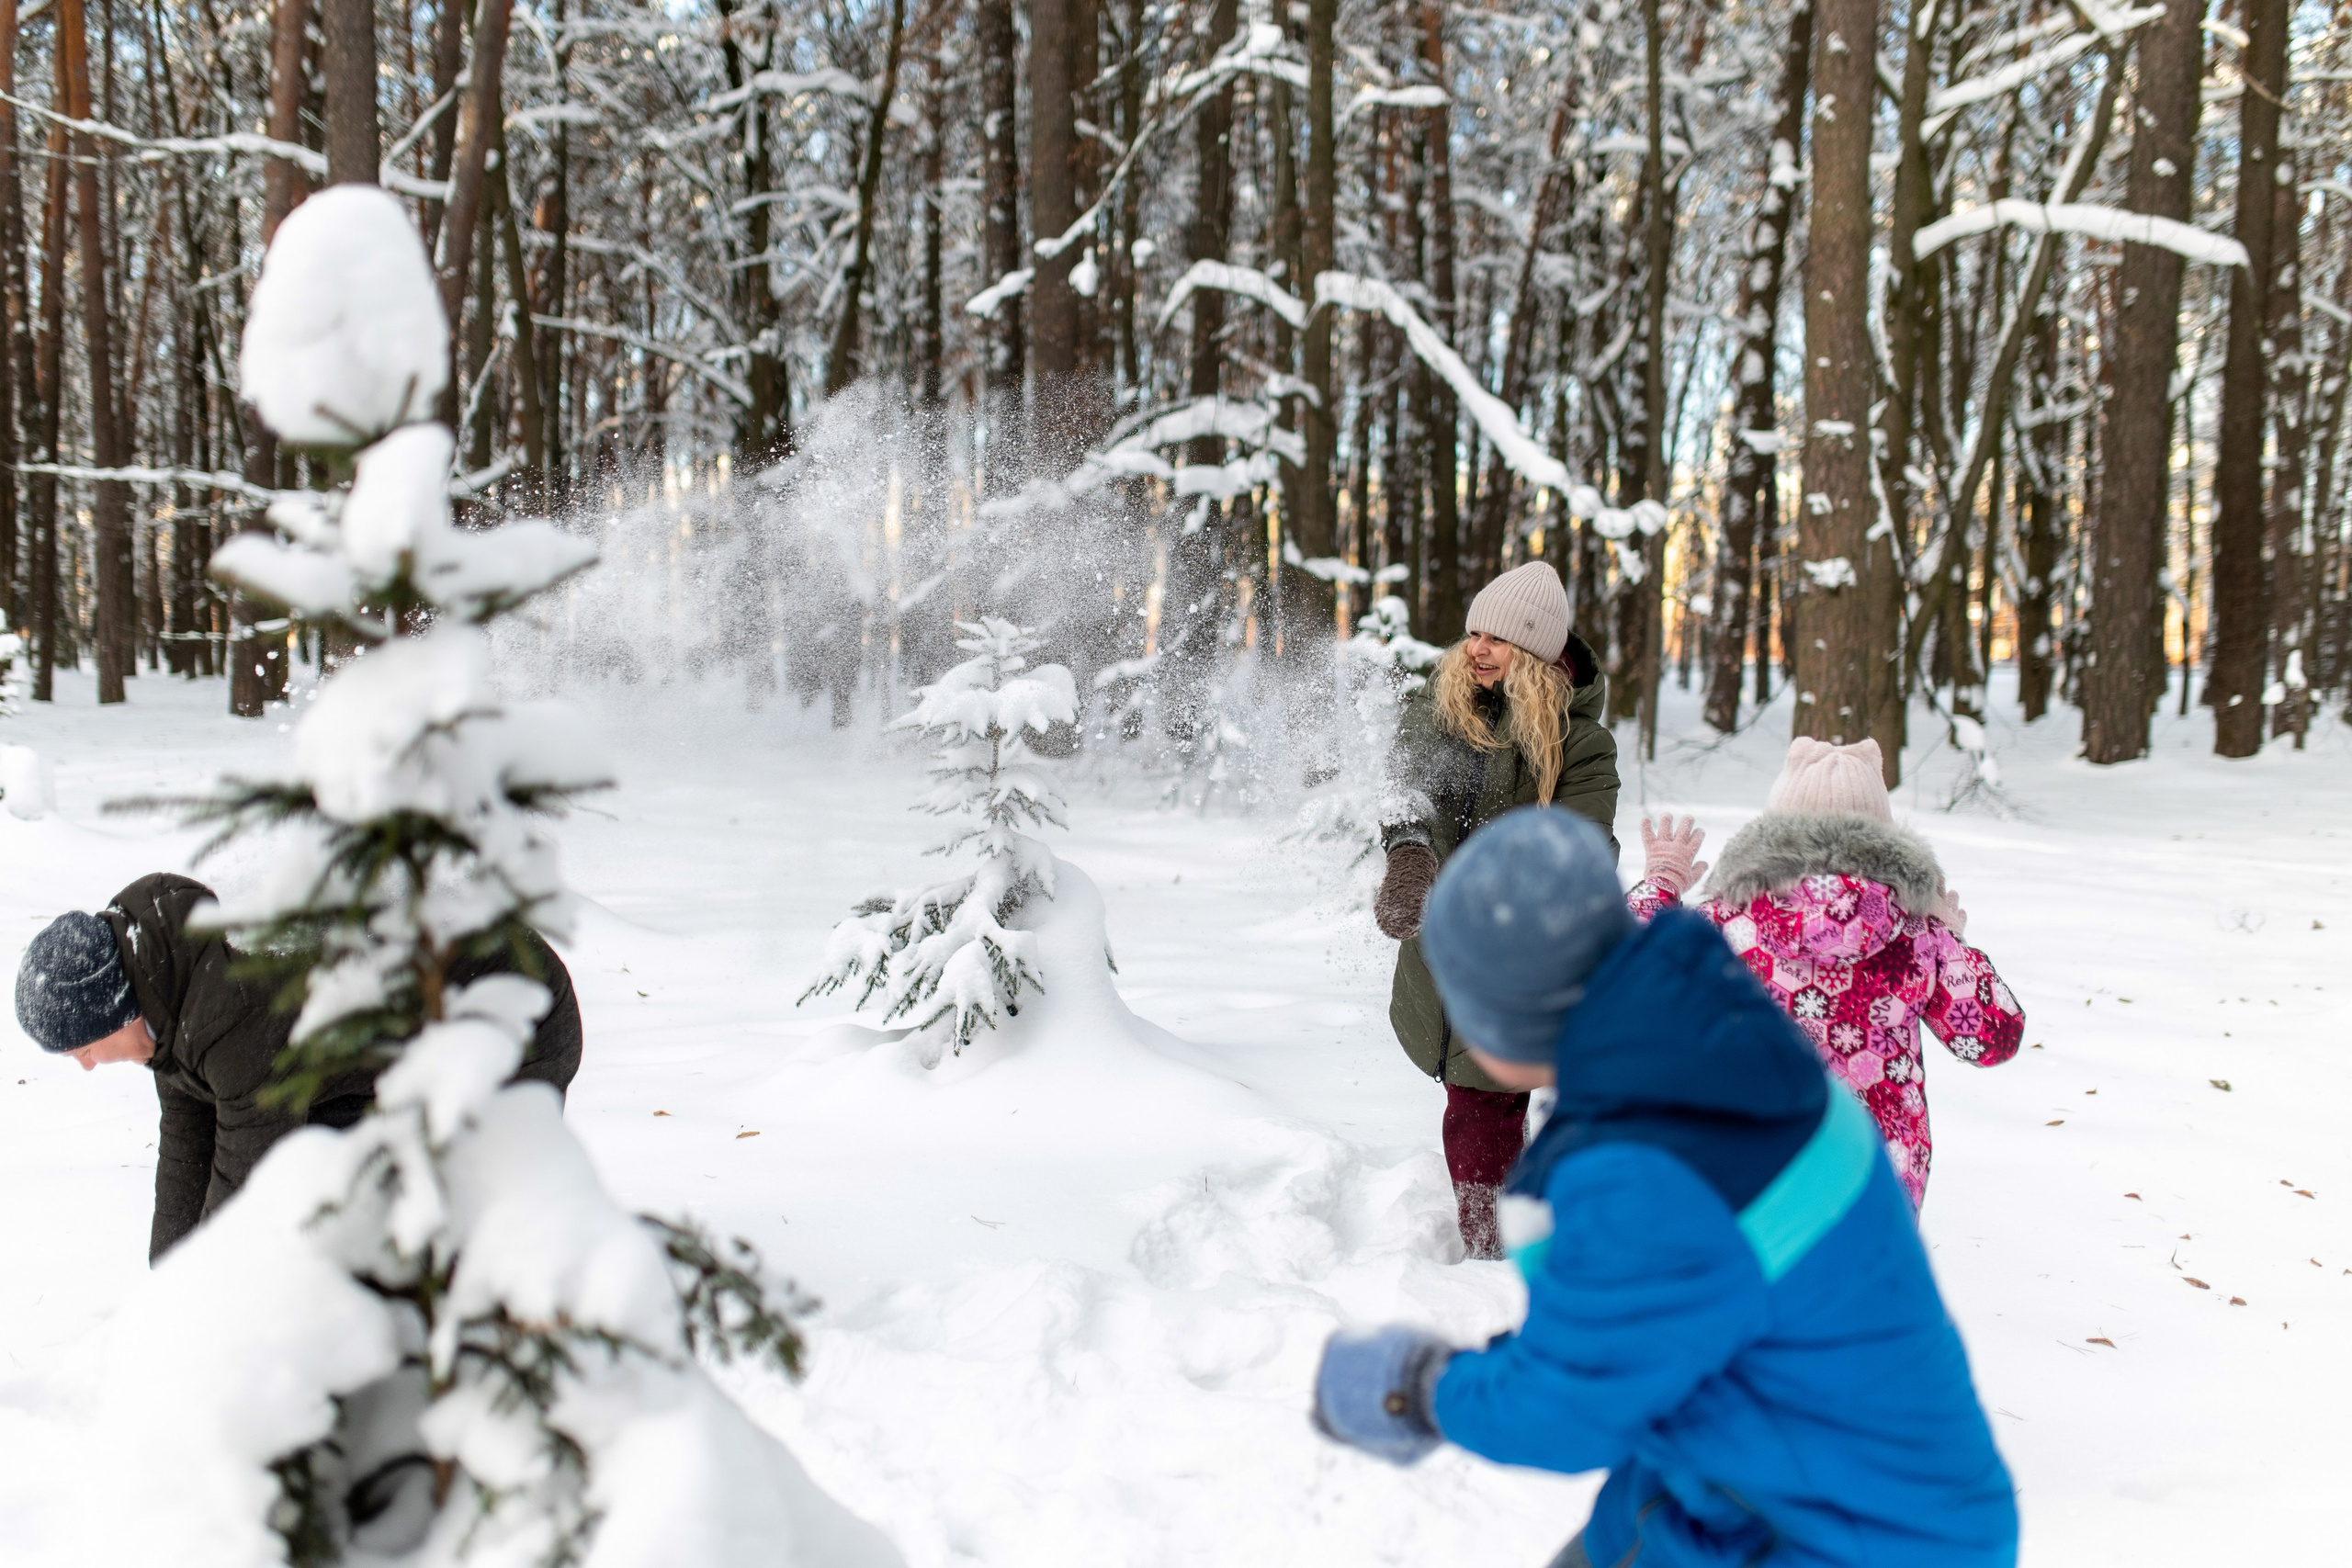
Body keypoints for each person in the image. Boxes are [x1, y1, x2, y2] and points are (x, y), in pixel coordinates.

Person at [1312, 808, 2019, 1568]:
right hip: (1809, 1480)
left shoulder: (1644, 1169)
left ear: (1505, 1022)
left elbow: (1570, 1406)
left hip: (1845, 1535)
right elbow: (1643, 1327)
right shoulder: (1723, 1038)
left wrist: (1419, 1390)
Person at [16, 872, 583, 1261]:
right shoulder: (166, 986)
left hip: (512, 1024)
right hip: (393, 1048)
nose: (88, 1067)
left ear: (117, 1014)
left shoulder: (229, 1015)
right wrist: (168, 1276)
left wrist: (198, 1304)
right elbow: (191, 1140)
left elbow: (245, 1189)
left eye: (83, 1051)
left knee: (452, 1215)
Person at [1628, 737, 2024, 1208]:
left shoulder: (1721, 926)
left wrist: (1661, 885)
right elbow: (1990, 1038)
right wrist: (1951, 943)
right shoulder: (1919, 938)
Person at [1373, 561, 1619, 1258]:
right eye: (1473, 631)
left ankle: (1518, 1241)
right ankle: (1499, 1236)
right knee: (1478, 1100)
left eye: (1498, 639)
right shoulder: (1447, 703)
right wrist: (1411, 852)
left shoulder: (1579, 743)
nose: (1475, 647)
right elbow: (1407, 776)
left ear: (1538, 652)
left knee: (1505, 1099)